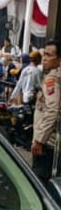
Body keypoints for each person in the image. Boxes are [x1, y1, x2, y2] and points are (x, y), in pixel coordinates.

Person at [31, 39, 60, 184]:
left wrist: (39, 140)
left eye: (49, 55)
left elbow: (52, 111)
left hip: (47, 145)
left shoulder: (52, 80)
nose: (45, 58)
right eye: (44, 54)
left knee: (38, 186)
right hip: (54, 144)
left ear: (59, 59)